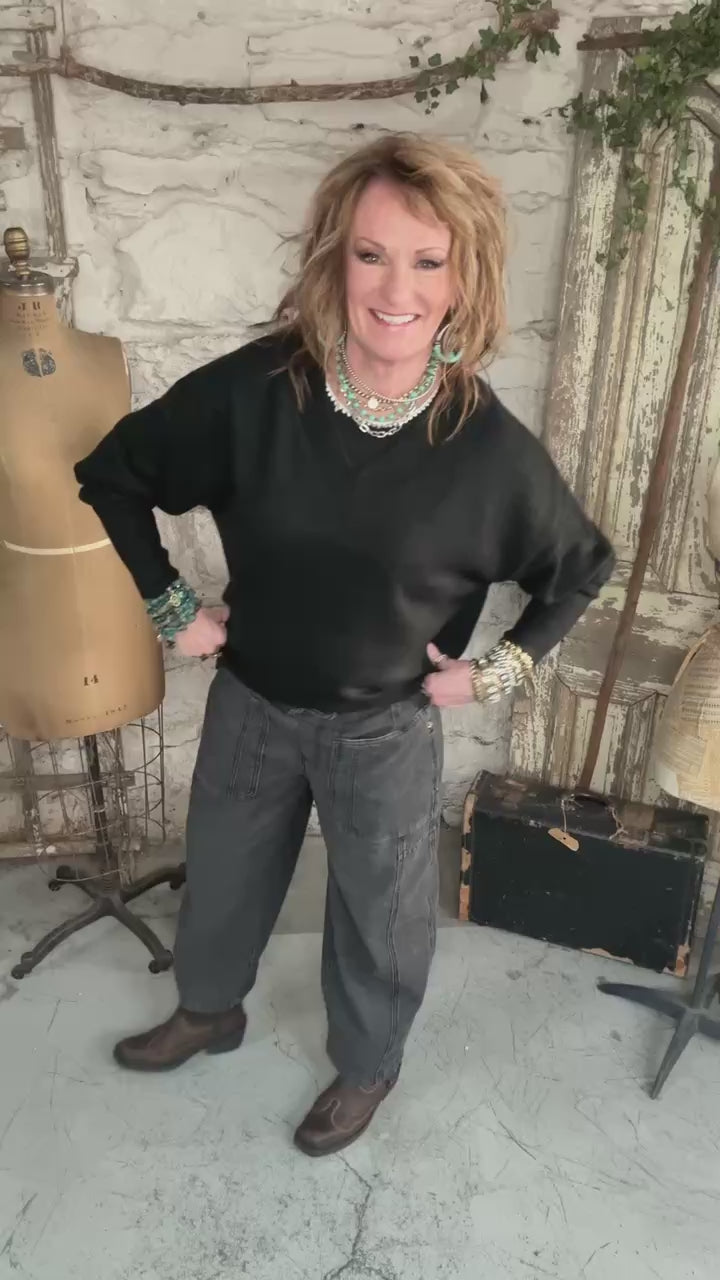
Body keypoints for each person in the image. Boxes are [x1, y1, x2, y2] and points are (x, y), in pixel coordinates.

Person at [74, 133, 615, 1157]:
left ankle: (368, 1065)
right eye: (372, 254)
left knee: (379, 911)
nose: (396, 289)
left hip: (383, 729)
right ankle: (208, 1009)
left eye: (427, 260)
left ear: (462, 279)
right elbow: (112, 473)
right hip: (251, 703)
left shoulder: (485, 447)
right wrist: (172, 605)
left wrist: (498, 669)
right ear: (336, 258)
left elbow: (580, 566)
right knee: (222, 875)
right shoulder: (255, 392)